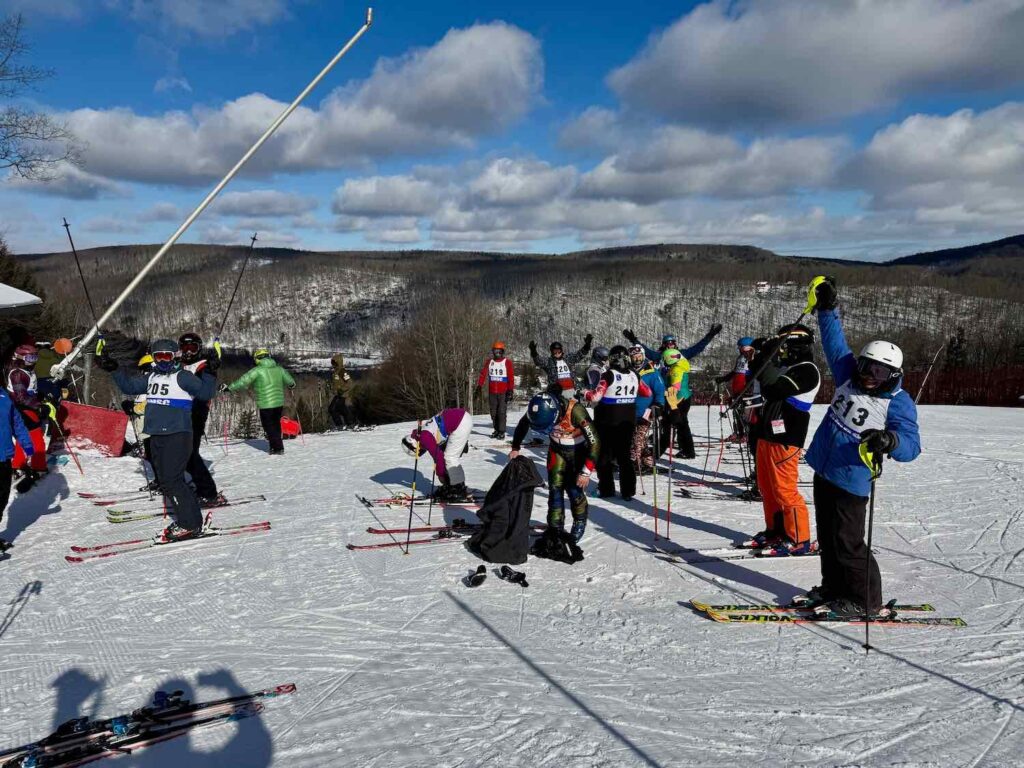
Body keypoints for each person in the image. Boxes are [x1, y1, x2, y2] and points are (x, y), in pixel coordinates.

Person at [799, 276, 921, 617]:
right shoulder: (848, 375)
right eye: (868, 367)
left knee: (848, 543)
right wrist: (827, 308)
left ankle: (864, 601)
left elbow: (911, 445)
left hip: (852, 479)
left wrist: (889, 440)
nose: (870, 376)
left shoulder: (898, 402)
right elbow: (834, 342)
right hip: (825, 467)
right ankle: (833, 588)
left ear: (894, 375)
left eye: (880, 373)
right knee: (827, 537)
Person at [98, 338, 218, 541]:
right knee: (166, 480)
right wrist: (114, 368)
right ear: (153, 358)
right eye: (158, 356)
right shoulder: (151, 377)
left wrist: (210, 371)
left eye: (167, 356)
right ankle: (190, 517)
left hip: (177, 434)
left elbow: (206, 392)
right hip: (156, 435)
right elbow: (128, 386)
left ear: (175, 356)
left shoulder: (183, 377)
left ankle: (189, 523)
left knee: (172, 480)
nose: (163, 361)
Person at [744, 323, 822, 556]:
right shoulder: (788, 366)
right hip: (768, 433)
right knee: (767, 487)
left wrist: (766, 356)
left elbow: (772, 389)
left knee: (784, 489)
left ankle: (799, 538)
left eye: (784, 345)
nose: (781, 351)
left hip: (787, 436)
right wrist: (762, 356)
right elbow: (758, 376)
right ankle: (775, 530)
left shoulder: (808, 370)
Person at [510, 392, 599, 542]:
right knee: (555, 489)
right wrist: (515, 447)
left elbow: (595, 442)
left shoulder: (576, 411)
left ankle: (579, 522)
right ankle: (555, 526)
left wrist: (586, 471)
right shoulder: (537, 407)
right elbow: (523, 424)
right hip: (556, 450)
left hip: (577, 452)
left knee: (573, 490)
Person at [585, 345, 651, 500]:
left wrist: (584, 392)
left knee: (605, 457)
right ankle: (628, 491)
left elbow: (595, 397)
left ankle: (607, 490)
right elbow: (647, 392)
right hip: (627, 422)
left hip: (607, 423)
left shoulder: (608, 375)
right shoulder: (635, 374)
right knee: (624, 457)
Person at [222, 348, 295, 455]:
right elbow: (291, 381)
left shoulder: (257, 370)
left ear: (257, 359)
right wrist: (292, 385)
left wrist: (229, 388)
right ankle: (277, 446)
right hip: (279, 403)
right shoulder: (279, 369)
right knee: (275, 424)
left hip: (265, 404)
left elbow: (243, 382)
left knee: (269, 426)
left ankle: (277, 448)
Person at [178, 333, 223, 506]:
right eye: (185, 348)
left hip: (196, 411)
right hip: (179, 412)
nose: (188, 352)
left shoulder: (204, 365)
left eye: (192, 348)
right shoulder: (180, 365)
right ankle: (197, 484)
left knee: (189, 453)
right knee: (183, 453)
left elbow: (207, 390)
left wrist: (212, 368)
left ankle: (208, 492)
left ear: (199, 348)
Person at [5, 343, 50, 491]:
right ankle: (38, 467)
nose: (33, 361)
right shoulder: (18, 373)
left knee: (23, 438)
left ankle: (17, 464)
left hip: (25, 408)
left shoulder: (26, 370)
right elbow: (20, 396)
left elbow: (28, 391)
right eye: (30, 358)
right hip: (23, 409)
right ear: (20, 357)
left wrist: (39, 396)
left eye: (35, 357)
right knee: (36, 439)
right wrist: (38, 406)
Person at [402, 408, 473, 501]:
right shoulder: (420, 434)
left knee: (450, 457)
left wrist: (440, 475)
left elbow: (438, 457)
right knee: (447, 455)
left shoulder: (424, 437)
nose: (422, 451)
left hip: (461, 421)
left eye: (418, 450)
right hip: (461, 418)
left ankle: (457, 489)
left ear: (413, 444)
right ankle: (453, 484)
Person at [0, 386, 35, 552]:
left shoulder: (4, 395)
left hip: (4, 456)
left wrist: (27, 444)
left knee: (1, 499)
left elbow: (16, 422)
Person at [629, 343, 665, 475]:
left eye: (639, 357)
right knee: (640, 439)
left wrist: (659, 404)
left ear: (643, 356)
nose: (637, 360)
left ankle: (635, 462)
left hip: (646, 412)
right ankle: (648, 462)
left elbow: (660, 390)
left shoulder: (651, 372)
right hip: (630, 411)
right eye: (634, 357)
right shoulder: (628, 371)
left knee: (637, 440)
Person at [623, 324, 723, 366]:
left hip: (677, 385)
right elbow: (646, 351)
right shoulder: (659, 355)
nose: (670, 345)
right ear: (664, 345)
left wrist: (710, 336)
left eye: (672, 343)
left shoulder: (681, 354)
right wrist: (634, 340)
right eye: (668, 343)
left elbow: (698, 347)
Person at [660, 348, 697, 460]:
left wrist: (667, 397)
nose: (664, 361)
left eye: (665, 359)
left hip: (679, 399)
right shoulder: (681, 363)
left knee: (678, 424)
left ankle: (687, 451)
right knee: (682, 424)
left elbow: (675, 387)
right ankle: (687, 450)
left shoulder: (677, 369)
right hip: (684, 397)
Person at [476, 341, 514, 439]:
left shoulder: (507, 362)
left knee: (501, 411)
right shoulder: (489, 362)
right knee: (493, 412)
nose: (497, 353)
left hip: (503, 392)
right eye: (495, 351)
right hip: (492, 392)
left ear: (502, 352)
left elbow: (510, 377)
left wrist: (510, 390)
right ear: (493, 352)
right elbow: (483, 374)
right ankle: (496, 430)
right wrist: (479, 386)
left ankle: (501, 431)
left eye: (499, 351)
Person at [328, 353, 360, 430]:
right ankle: (351, 423)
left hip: (342, 394)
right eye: (333, 363)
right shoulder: (336, 372)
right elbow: (336, 383)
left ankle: (340, 425)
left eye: (335, 362)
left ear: (338, 362)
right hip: (338, 394)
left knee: (332, 409)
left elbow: (350, 382)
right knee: (342, 409)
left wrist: (342, 390)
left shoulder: (342, 371)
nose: (333, 364)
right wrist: (329, 386)